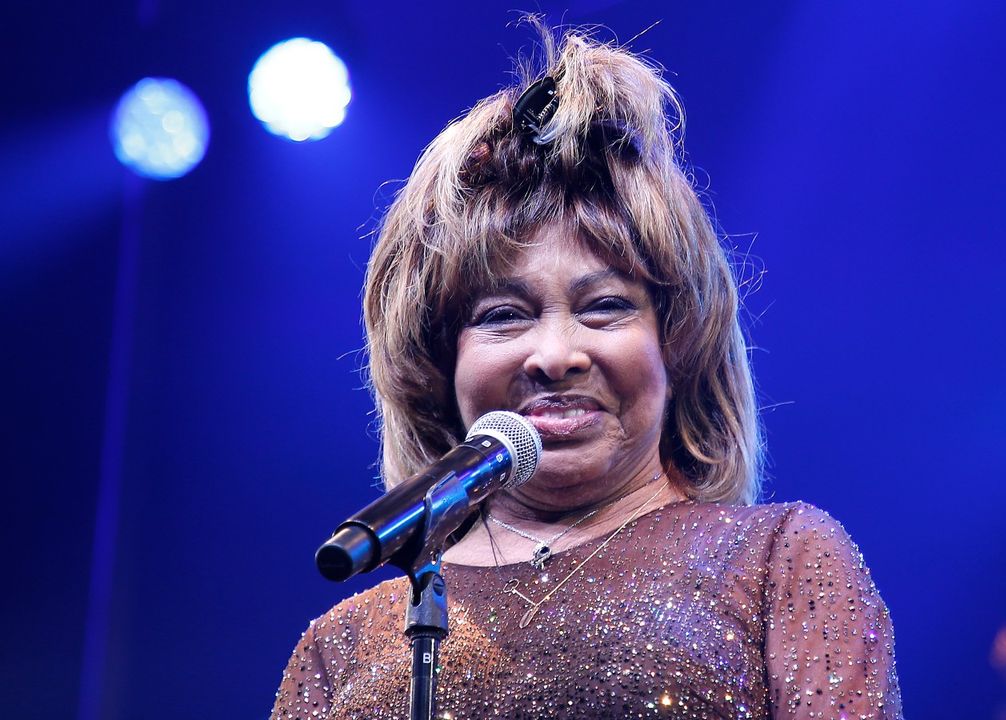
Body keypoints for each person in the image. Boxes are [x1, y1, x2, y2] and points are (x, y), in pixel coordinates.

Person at [272, 24, 903, 720]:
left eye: (604, 307)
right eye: (504, 316)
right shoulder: (343, 645)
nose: (554, 354)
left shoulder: (779, 562)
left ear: (679, 342)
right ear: (436, 361)